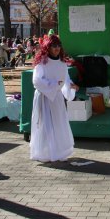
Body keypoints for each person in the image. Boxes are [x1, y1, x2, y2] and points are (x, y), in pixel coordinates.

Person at [30, 34, 78, 162]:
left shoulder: (62, 63)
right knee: (45, 124)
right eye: (53, 45)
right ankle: (45, 152)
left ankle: (58, 151)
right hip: (43, 97)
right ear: (48, 47)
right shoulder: (42, 62)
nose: (56, 48)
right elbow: (36, 80)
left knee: (58, 122)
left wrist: (70, 85)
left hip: (56, 97)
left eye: (58, 45)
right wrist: (52, 85)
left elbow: (64, 79)